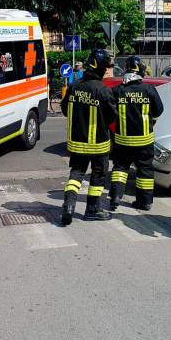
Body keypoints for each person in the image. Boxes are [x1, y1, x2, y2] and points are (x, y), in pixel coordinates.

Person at [60, 49, 117, 225]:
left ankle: (68, 206)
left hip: (76, 143)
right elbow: (112, 117)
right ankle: (92, 210)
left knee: (76, 174)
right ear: (99, 68)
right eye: (106, 67)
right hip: (98, 145)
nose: (107, 70)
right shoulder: (103, 91)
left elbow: (64, 110)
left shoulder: (74, 86)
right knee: (98, 177)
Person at [108, 56, 164, 211]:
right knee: (145, 171)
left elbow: (110, 111)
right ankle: (144, 202)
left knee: (120, 168)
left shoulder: (118, 91)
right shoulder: (148, 90)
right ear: (140, 70)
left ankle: (115, 197)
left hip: (123, 140)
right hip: (144, 141)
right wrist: (151, 121)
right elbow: (159, 110)